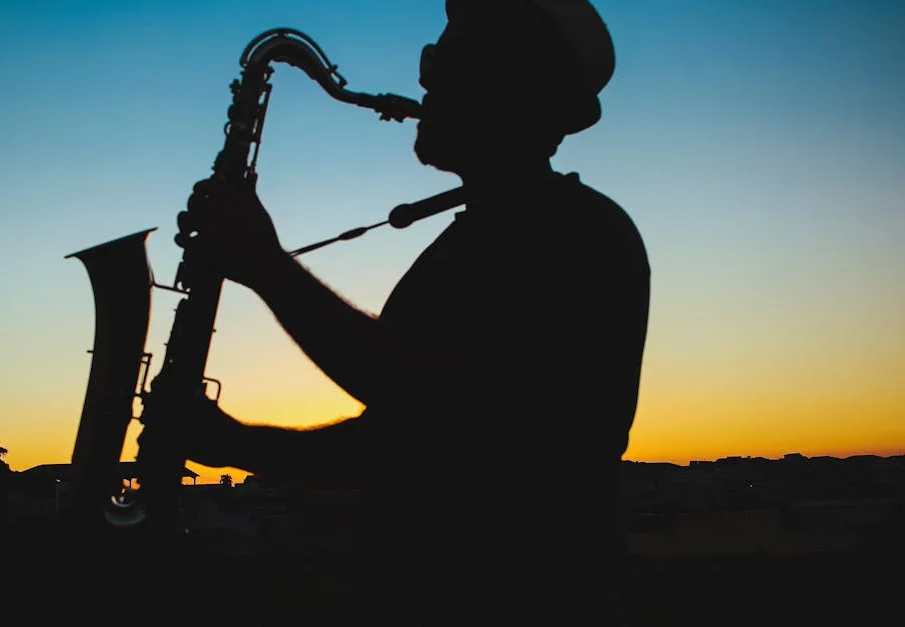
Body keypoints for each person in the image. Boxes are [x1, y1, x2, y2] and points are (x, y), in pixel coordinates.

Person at [175, 0, 649, 621]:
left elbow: (423, 393)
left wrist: (266, 267)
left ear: (523, 97)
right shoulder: (485, 238)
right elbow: (400, 444)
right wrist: (232, 441)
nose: (425, 77)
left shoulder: (579, 236)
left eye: (449, 60)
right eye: (432, 57)